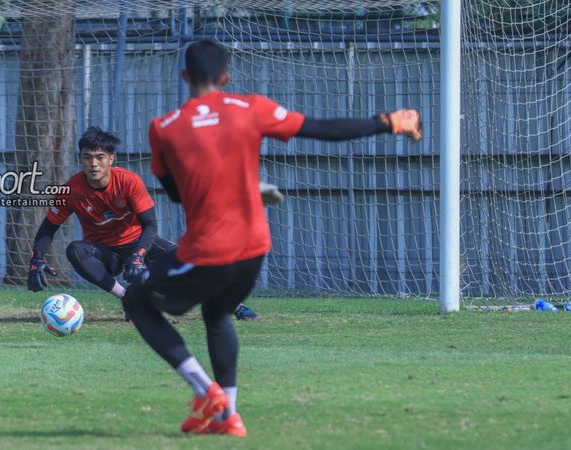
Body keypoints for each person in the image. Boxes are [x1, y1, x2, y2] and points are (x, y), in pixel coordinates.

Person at [123, 39, 422, 437]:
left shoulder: (164, 128)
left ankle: (207, 392)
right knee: (216, 314)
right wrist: (385, 122)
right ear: (226, 78)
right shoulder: (251, 108)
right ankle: (229, 416)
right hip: (254, 249)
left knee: (137, 302)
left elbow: (178, 194)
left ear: (185, 77)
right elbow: (321, 129)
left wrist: (233, 187)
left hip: (210, 250)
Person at [26, 126, 261, 321]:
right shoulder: (71, 190)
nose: (93, 164)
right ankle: (128, 298)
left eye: (99, 157)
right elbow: (49, 226)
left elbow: (150, 224)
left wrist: (138, 255)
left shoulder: (129, 182)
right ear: (81, 159)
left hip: (140, 243)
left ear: (111, 159)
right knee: (75, 250)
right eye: (87, 158)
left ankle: (236, 305)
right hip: (105, 253)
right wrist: (36, 259)